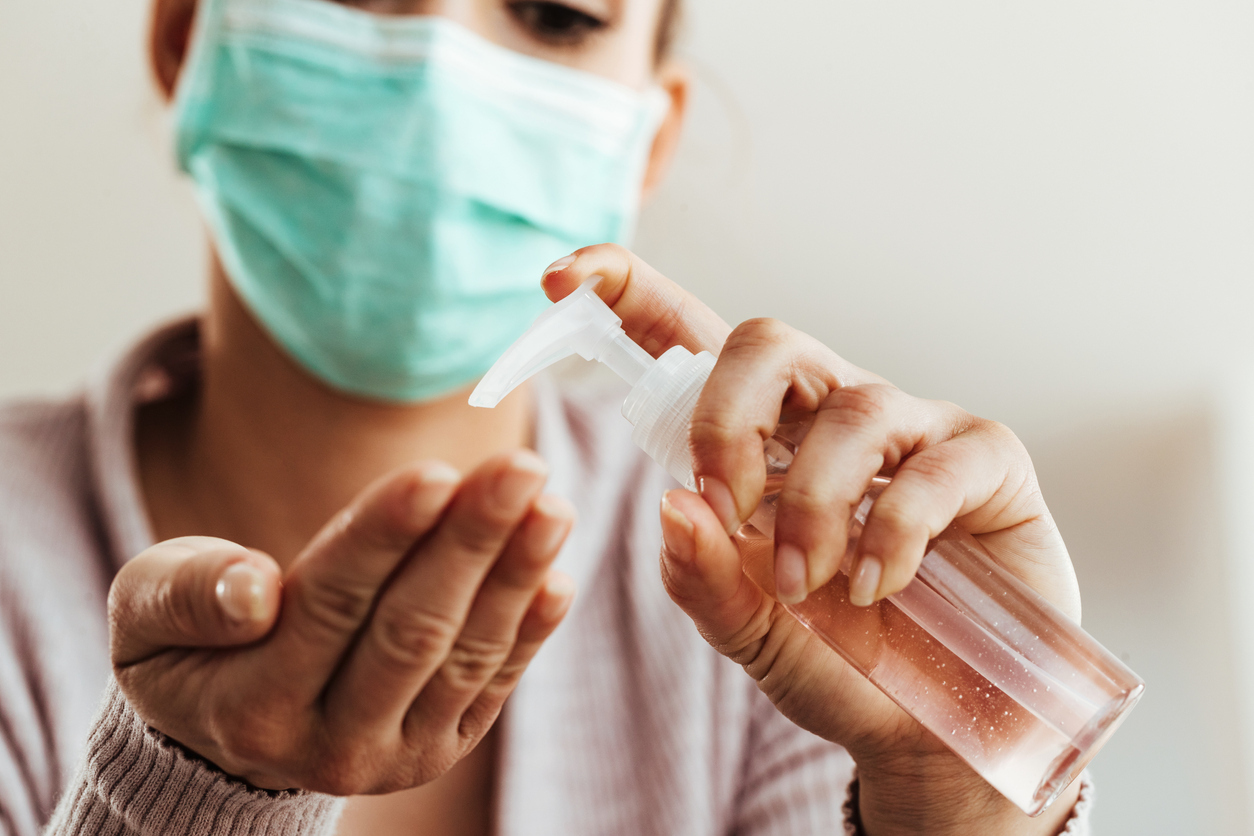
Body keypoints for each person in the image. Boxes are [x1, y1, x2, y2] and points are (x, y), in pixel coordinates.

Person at [0, 0, 1093, 833]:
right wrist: (181, 798)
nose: (441, 71)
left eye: (555, 11)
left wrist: (960, 790)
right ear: (188, 38)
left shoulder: (783, 593)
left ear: (649, 140)